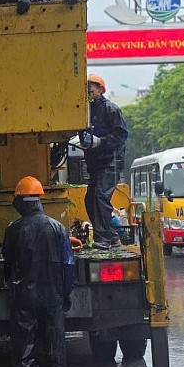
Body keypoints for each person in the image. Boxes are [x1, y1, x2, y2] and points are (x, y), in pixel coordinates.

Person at [2, 176, 75, 367]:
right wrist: (66, 293)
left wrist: (11, 287)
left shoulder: (14, 230)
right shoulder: (58, 228)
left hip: (24, 298)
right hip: (53, 297)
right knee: (55, 346)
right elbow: (68, 264)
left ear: (21, 201)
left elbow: (7, 262)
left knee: (24, 348)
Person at [80, 74, 129, 249]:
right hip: (96, 163)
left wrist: (101, 142)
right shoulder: (85, 111)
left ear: (100, 89)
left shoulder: (111, 109)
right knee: (90, 199)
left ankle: (103, 239)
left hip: (111, 162)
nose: (88, 91)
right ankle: (113, 237)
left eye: (91, 88)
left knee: (100, 196)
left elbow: (121, 134)